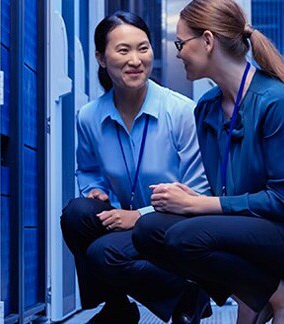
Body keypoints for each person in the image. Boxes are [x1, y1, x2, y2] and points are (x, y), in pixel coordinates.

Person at [132, 1, 284, 323]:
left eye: (181, 44)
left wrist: (198, 205)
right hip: (257, 224)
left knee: (184, 236)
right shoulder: (206, 109)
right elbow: (229, 192)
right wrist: (190, 199)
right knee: (149, 230)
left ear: (207, 41)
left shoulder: (275, 101)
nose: (177, 53)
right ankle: (255, 296)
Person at [60, 11, 213, 324]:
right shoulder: (89, 117)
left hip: (179, 221)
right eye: (123, 50)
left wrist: (139, 217)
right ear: (101, 58)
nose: (135, 60)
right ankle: (118, 308)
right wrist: (96, 192)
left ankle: (188, 295)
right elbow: (88, 170)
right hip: (126, 218)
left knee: (101, 254)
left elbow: (199, 190)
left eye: (143, 48)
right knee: (76, 214)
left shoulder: (182, 112)